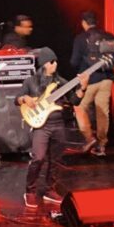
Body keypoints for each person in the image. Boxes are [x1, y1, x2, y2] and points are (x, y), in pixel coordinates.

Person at [15, 47, 88, 209]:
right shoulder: (30, 81)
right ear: (44, 64)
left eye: (56, 61)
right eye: (51, 62)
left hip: (58, 124)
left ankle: (50, 189)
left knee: (56, 160)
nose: (55, 64)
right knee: (38, 158)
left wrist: (82, 88)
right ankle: (30, 191)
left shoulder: (61, 82)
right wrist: (25, 98)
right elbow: (16, 99)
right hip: (41, 126)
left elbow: (74, 101)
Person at [71, 10, 114, 156]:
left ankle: (89, 138)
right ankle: (101, 146)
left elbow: (74, 62)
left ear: (83, 23)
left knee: (79, 107)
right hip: (107, 79)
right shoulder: (109, 36)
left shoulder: (80, 38)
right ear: (96, 22)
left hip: (89, 79)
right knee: (103, 112)